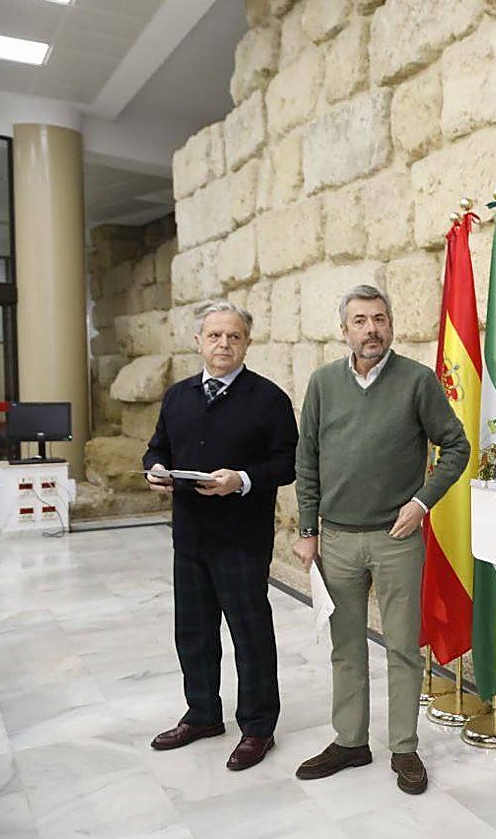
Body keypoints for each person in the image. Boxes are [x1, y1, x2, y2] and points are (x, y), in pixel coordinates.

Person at [292, 285, 469, 795]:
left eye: (379, 319)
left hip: (397, 539)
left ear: (391, 324)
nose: (371, 329)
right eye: (360, 321)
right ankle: (350, 741)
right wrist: (308, 529)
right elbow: (307, 459)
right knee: (345, 648)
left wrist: (422, 502)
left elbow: (456, 446)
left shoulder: (417, 381)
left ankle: (404, 748)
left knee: (402, 648)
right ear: (344, 330)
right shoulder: (323, 383)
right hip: (338, 542)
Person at [143, 300, 298, 771]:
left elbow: (286, 464)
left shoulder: (269, 399)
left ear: (246, 343)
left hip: (242, 539)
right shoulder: (178, 396)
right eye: (214, 335)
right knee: (192, 632)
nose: (223, 344)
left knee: (250, 635)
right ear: (199, 342)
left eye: (233, 336)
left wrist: (241, 480)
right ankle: (203, 714)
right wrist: (154, 469)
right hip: (189, 537)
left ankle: (257, 727)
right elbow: (157, 448)